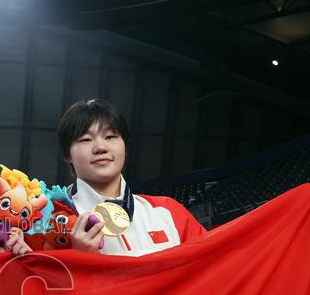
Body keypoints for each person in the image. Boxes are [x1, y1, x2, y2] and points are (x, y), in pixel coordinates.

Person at [56, 98, 206, 256]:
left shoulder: (169, 212)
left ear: (125, 146)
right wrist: (77, 258)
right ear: (67, 155)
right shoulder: (51, 221)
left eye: (110, 137)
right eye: (86, 139)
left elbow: (210, 267)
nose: (100, 147)